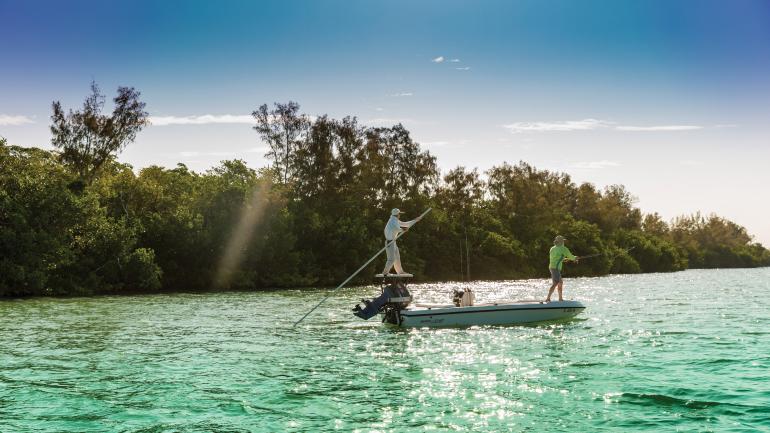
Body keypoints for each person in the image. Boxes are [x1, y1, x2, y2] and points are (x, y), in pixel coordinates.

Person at [382, 208, 419, 275]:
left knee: (397, 258)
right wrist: (403, 229)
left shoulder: (395, 220)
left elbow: (404, 224)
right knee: (391, 259)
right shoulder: (392, 221)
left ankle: (400, 272)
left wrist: (415, 220)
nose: (400, 215)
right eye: (399, 214)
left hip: (393, 242)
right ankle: (385, 272)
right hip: (390, 242)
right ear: (397, 214)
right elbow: (396, 229)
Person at [545, 235, 579, 303]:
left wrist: (564, 259)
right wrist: (575, 258)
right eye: (563, 241)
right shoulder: (564, 249)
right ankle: (548, 298)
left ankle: (560, 299)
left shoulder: (552, 248)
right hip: (556, 268)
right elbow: (571, 256)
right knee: (556, 283)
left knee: (560, 282)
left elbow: (556, 258)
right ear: (561, 242)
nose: (564, 242)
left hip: (552, 267)